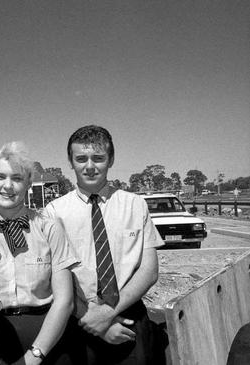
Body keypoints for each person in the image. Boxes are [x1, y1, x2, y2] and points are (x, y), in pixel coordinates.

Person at [45, 125, 164, 364]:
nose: (89, 166)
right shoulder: (54, 212)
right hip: (77, 316)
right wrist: (94, 320)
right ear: (71, 162)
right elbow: (54, 275)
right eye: (81, 159)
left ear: (111, 159)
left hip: (127, 318)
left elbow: (149, 271)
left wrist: (107, 314)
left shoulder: (135, 205)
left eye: (98, 158)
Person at [0, 142, 78, 365]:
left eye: (17, 178)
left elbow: (64, 301)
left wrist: (35, 355)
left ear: (29, 183)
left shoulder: (49, 228)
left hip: (48, 337)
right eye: (0, 176)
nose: (8, 186)